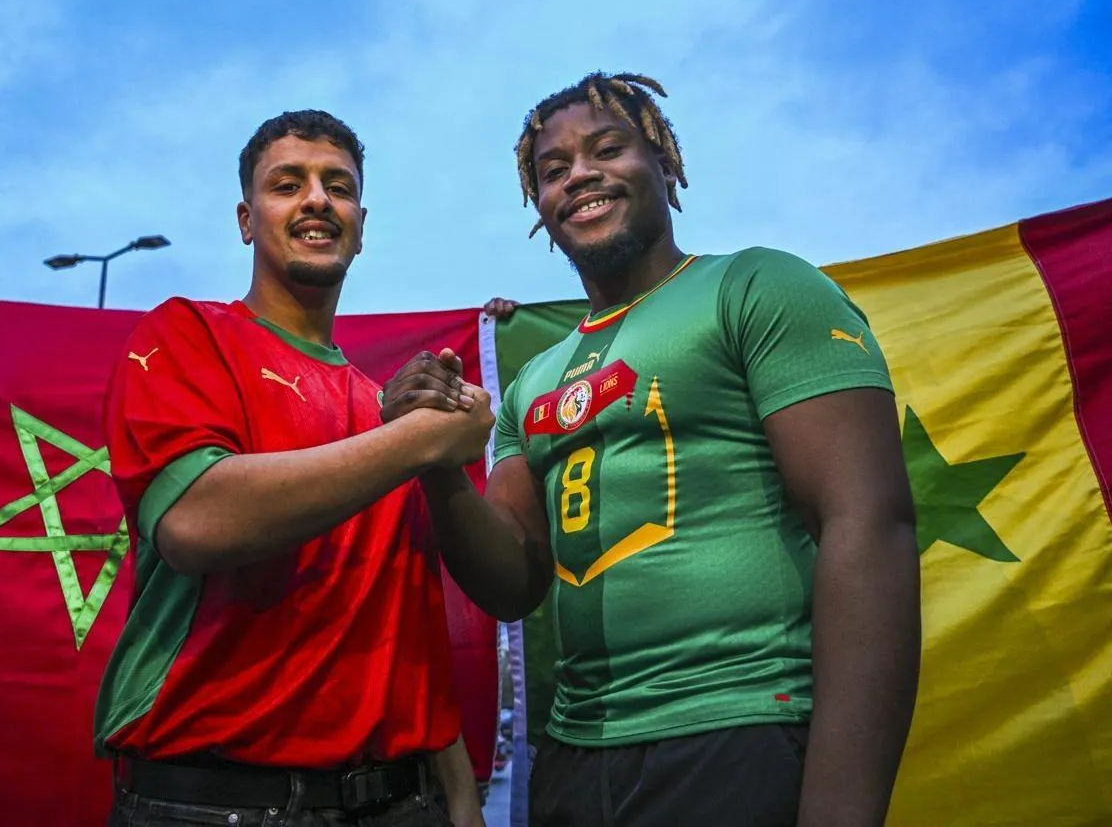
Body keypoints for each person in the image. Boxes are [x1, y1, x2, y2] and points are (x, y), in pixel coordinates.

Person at [382, 73, 921, 826]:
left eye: (607, 149)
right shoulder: (533, 380)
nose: (580, 175)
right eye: (553, 169)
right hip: (574, 757)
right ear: (539, 206)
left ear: (665, 164)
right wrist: (437, 464)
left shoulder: (757, 286)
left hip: (742, 724)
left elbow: (868, 524)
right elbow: (513, 585)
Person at [96, 109, 492, 827]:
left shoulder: (386, 415)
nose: (317, 199)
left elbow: (407, 625)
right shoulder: (186, 334)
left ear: (361, 226)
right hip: (212, 803)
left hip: (400, 800)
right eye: (287, 184)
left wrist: (459, 793)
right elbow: (195, 524)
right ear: (246, 220)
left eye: (339, 187)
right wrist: (422, 439)